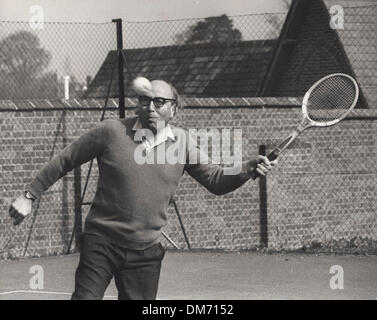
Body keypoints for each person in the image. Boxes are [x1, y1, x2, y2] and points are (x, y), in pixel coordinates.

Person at [9, 79, 277, 300]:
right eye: (145, 100)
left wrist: (245, 170)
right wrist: (29, 195)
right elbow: (65, 160)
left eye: (159, 102)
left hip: (145, 251)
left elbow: (216, 180)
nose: (150, 106)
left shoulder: (182, 142)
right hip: (101, 242)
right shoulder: (111, 131)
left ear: (174, 110)